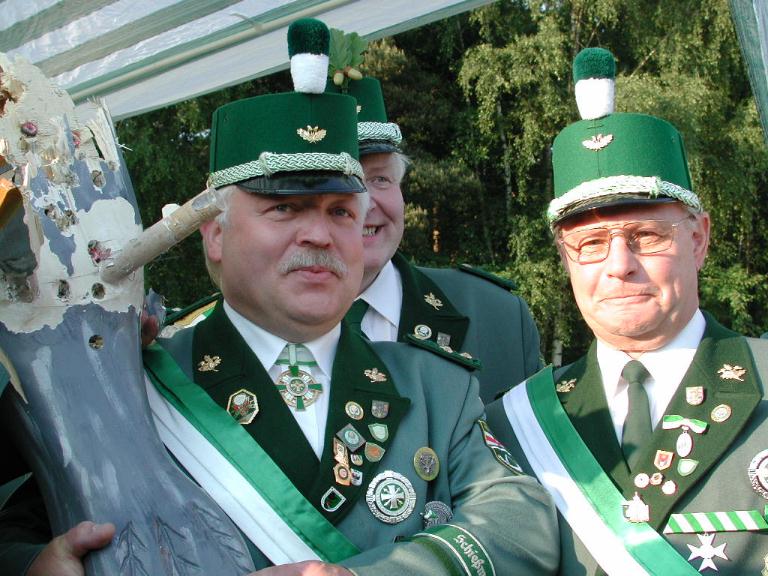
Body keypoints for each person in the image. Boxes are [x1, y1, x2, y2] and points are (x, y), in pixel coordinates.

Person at [0, 19, 559, 576]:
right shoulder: (141, 385)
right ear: (215, 234)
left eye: (341, 212)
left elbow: (523, 526)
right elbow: (20, 531)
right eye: (284, 208)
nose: (319, 235)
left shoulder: (436, 386)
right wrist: (35, 567)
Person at [486, 47, 768, 575]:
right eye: (591, 243)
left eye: (647, 236)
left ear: (699, 239)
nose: (619, 265)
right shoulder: (518, 421)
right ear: (565, 259)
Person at [327, 33, 542, 404]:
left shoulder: (497, 315)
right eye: (342, 182)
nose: (365, 204)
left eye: (380, 179)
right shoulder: (250, 323)